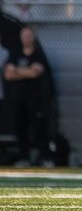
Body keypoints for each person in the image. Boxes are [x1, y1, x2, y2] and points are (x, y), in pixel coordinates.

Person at [3, 26, 56, 167]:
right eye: (24, 36)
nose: (26, 38)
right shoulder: (15, 54)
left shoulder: (38, 55)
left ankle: (45, 157)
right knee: (21, 129)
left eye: (29, 36)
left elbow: (35, 72)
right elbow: (8, 74)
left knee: (39, 128)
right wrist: (26, 71)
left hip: (35, 99)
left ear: (33, 38)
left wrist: (17, 71)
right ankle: (24, 158)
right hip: (19, 99)